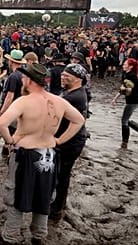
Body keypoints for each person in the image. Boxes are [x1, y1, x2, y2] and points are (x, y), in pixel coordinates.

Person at [0, 63, 85, 245]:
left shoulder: (24, 101)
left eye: (24, 77)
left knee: (18, 194)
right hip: (49, 153)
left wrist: (10, 141)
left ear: (29, 80)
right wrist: (59, 140)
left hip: (26, 153)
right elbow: (79, 120)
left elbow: (2, 123)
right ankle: (38, 236)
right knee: (44, 194)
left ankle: (10, 237)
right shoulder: (59, 101)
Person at [49, 64, 89, 223]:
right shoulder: (70, 92)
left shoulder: (75, 97)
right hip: (70, 140)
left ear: (78, 79)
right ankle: (58, 204)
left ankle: (57, 208)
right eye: (62, 74)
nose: (62, 77)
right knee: (60, 173)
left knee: (62, 175)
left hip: (71, 142)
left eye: (67, 76)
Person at [112, 58, 138, 148]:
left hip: (133, 101)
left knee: (124, 121)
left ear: (131, 66)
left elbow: (137, 88)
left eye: (125, 64)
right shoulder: (126, 74)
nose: (123, 65)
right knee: (126, 120)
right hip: (130, 100)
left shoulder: (132, 75)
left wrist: (125, 89)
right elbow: (122, 88)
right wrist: (115, 98)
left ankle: (124, 143)